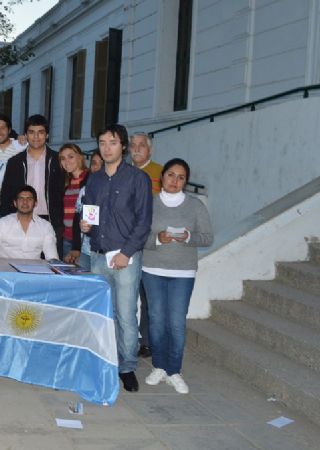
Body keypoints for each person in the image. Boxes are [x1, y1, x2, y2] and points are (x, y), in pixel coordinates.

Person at [80, 124, 152, 392]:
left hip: (125, 259)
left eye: (112, 142)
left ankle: (128, 367)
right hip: (97, 255)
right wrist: (84, 225)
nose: (106, 147)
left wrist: (126, 253)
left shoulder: (137, 179)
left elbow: (144, 222)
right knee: (103, 314)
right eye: (102, 142)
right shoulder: (94, 178)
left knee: (125, 315)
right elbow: (90, 212)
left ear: (123, 146)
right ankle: (106, 360)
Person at [142, 159, 213, 394]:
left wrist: (189, 237)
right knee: (157, 320)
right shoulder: (149, 204)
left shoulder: (195, 206)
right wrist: (157, 239)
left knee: (176, 322)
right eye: (171, 175)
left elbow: (207, 238)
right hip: (153, 271)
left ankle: (174, 370)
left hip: (183, 272)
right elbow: (139, 238)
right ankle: (159, 366)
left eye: (181, 177)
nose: (175, 181)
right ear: (162, 176)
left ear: (185, 181)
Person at [0, 114, 65, 256]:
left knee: (49, 268)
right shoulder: (15, 162)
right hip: (21, 219)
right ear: (26, 135)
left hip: (50, 220)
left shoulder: (58, 160)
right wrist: (8, 222)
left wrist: (60, 224)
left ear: (47, 135)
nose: (36, 137)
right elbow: (6, 195)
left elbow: (63, 193)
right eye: (31, 132)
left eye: (41, 132)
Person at [130, 132, 162, 358]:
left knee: (148, 296)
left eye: (142, 146)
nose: (137, 149)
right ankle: (129, 339)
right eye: (133, 146)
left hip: (151, 243)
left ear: (149, 150)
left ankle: (148, 341)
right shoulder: (123, 172)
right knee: (127, 295)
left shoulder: (160, 173)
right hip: (126, 242)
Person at [0, 185, 58, 260]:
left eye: (29, 199)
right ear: (15, 203)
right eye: (21, 199)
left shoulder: (45, 226)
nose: (25, 202)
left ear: (35, 203)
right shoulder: (2, 223)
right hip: (5, 271)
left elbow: (52, 258)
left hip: (33, 272)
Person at [59, 143, 89, 264]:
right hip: (67, 238)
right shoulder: (65, 183)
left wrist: (77, 246)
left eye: (71, 156)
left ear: (80, 157)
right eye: (63, 158)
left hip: (84, 241)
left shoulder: (91, 179)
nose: (67, 161)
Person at [77, 152, 103, 269]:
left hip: (103, 251)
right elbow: (78, 217)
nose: (96, 167)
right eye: (93, 163)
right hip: (85, 248)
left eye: (101, 164)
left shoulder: (117, 189)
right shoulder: (85, 189)